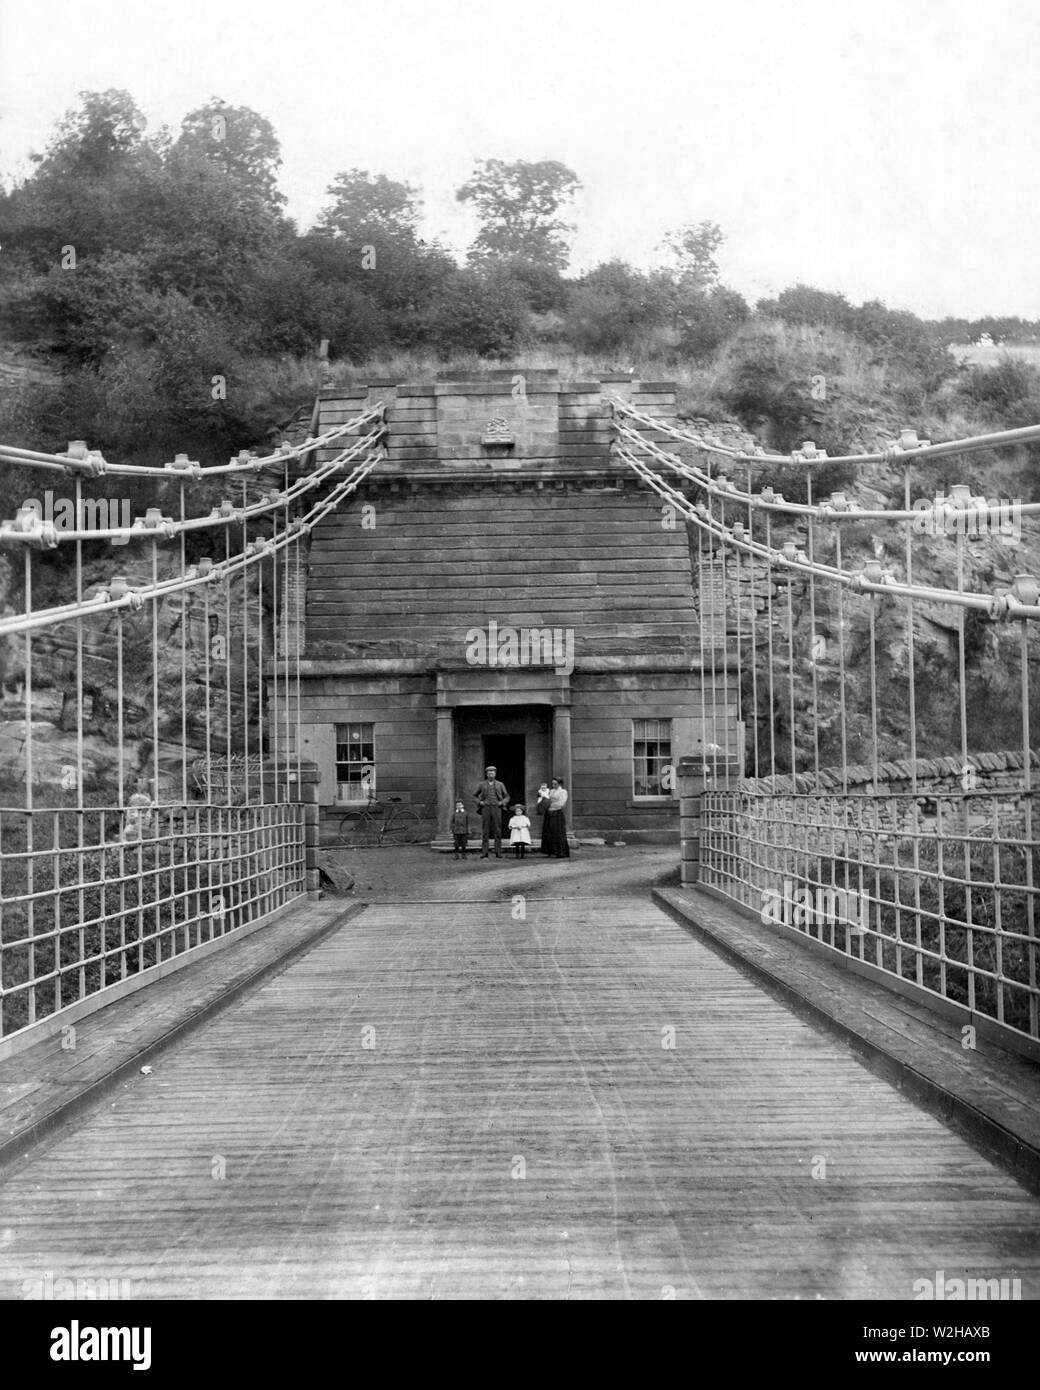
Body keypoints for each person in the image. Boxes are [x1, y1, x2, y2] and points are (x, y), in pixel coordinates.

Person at [474, 765, 510, 858]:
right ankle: (484, 853)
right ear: (486, 774)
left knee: (497, 830)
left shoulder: (500, 784)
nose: (491, 775)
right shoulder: (482, 784)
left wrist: (502, 802)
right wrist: (480, 802)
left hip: (496, 808)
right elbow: (474, 796)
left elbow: (507, 796)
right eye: (489, 773)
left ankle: (498, 852)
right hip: (486, 808)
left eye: (492, 773)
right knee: (485, 830)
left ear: (495, 774)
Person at [540, 776, 570, 858]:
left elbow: (561, 803)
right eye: (552, 783)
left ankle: (560, 852)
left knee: (558, 832)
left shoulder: (563, 792)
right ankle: (550, 851)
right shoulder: (550, 791)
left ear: (560, 784)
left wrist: (550, 804)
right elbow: (545, 799)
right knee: (549, 832)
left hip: (557, 813)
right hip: (549, 813)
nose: (553, 785)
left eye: (555, 784)